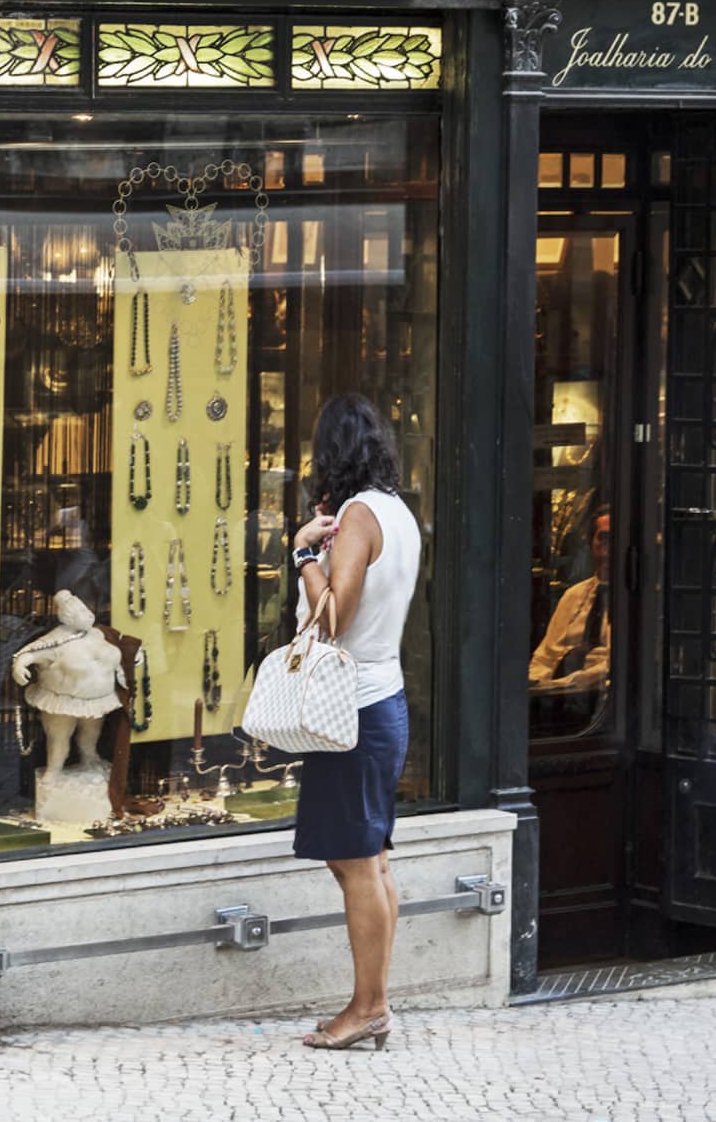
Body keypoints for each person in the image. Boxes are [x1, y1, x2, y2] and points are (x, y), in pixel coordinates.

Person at [290, 393, 423, 1053]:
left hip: (353, 709)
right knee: (371, 860)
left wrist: (302, 558)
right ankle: (371, 1002)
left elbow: (334, 617)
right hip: (382, 699)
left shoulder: (359, 514)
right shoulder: (396, 514)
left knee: (356, 863)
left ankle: (369, 1007)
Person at [529, 510, 612, 692]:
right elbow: (544, 657)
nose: (608, 551)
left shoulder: (638, 603)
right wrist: (536, 685)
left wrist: (568, 683)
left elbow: (612, 667)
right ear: (591, 544)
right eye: (603, 539)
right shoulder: (573, 596)